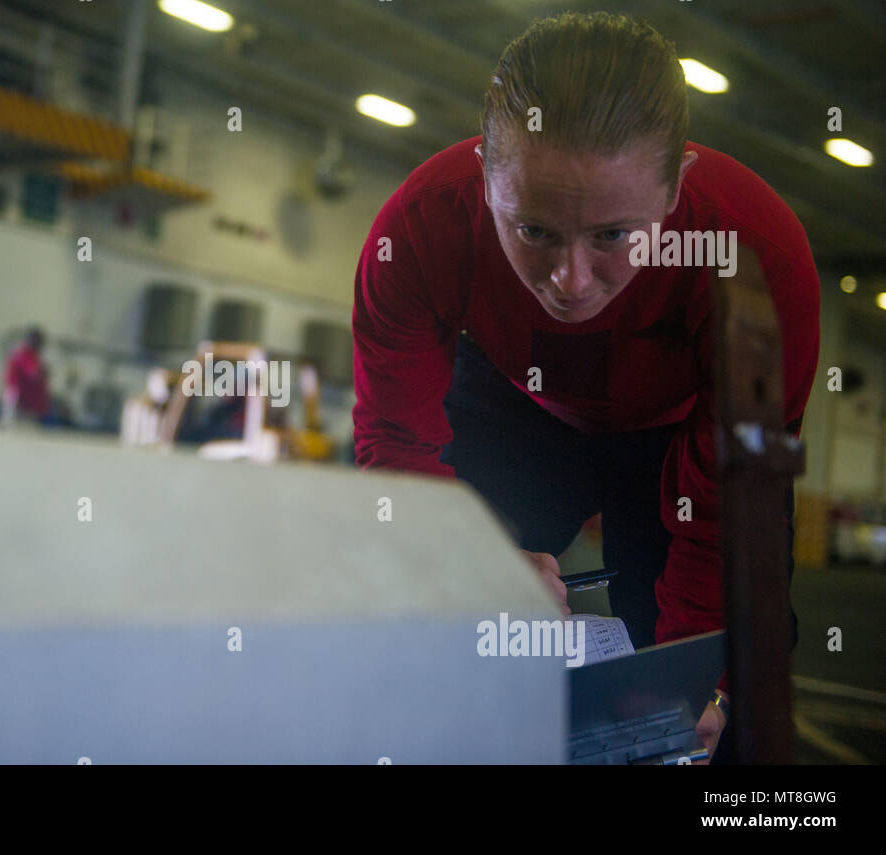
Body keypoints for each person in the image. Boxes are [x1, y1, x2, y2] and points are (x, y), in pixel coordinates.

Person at [351, 12, 819, 763]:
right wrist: (465, 559)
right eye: (533, 230)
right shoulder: (416, 232)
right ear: (483, 180)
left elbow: (734, 503)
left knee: (719, 694)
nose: (570, 282)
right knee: (436, 626)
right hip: (517, 409)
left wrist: (708, 679)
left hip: (680, 430)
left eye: (612, 235)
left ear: (675, 191)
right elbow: (397, 448)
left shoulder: (757, 259)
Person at [1, 327, 51, 426]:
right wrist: (44, 372)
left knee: (13, 424)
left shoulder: (26, 353)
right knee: (12, 425)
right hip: (17, 393)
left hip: (17, 393)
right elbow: (33, 374)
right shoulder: (24, 353)